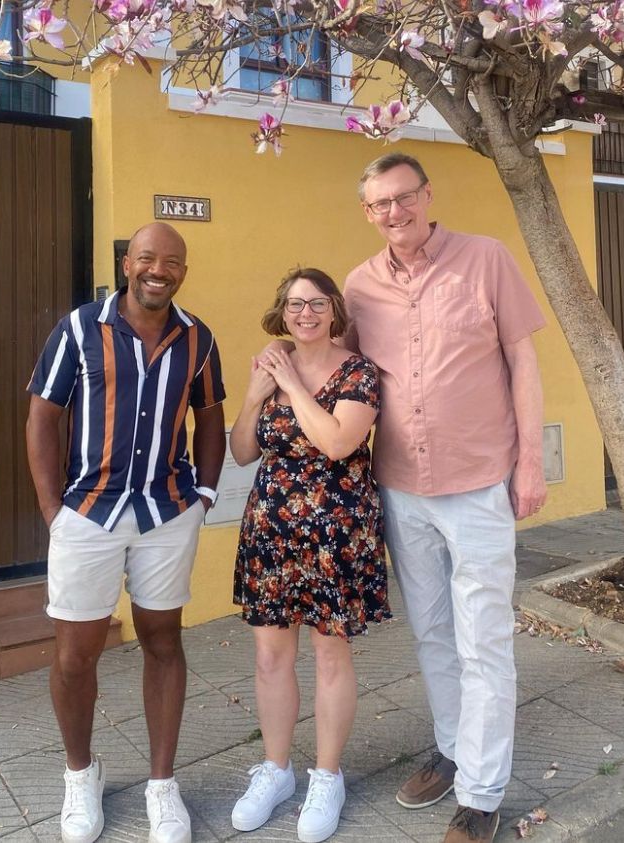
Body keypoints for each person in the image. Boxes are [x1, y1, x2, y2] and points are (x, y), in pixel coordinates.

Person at [343, 153, 547, 843]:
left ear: (427, 195)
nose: (393, 212)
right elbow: (341, 375)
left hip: (481, 479)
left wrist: (531, 464)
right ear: (368, 213)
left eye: (403, 197)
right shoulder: (359, 286)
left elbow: (523, 360)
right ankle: (456, 747)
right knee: (431, 630)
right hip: (400, 486)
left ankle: (482, 793)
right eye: (379, 204)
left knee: (483, 637)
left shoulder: (486, 258)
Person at [26, 222, 226, 843]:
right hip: (88, 513)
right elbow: (42, 417)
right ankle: (80, 774)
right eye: (146, 258)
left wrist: (206, 495)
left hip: (167, 512)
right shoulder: (80, 328)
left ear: (183, 272)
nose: (157, 270)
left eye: (170, 261)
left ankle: (162, 786)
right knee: (74, 654)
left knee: (163, 641)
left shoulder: (198, 339)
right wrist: (53, 510)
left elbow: (211, 417)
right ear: (128, 264)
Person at [229, 267, 391, 843]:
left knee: (329, 656)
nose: (305, 313)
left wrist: (291, 384)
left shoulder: (358, 373)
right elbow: (244, 451)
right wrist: (253, 396)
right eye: (295, 304)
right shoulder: (267, 368)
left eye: (316, 303)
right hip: (272, 527)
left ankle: (327, 776)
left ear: (334, 310)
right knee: (271, 658)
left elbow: (338, 442)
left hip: (336, 533)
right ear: (282, 310)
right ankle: (275, 771)